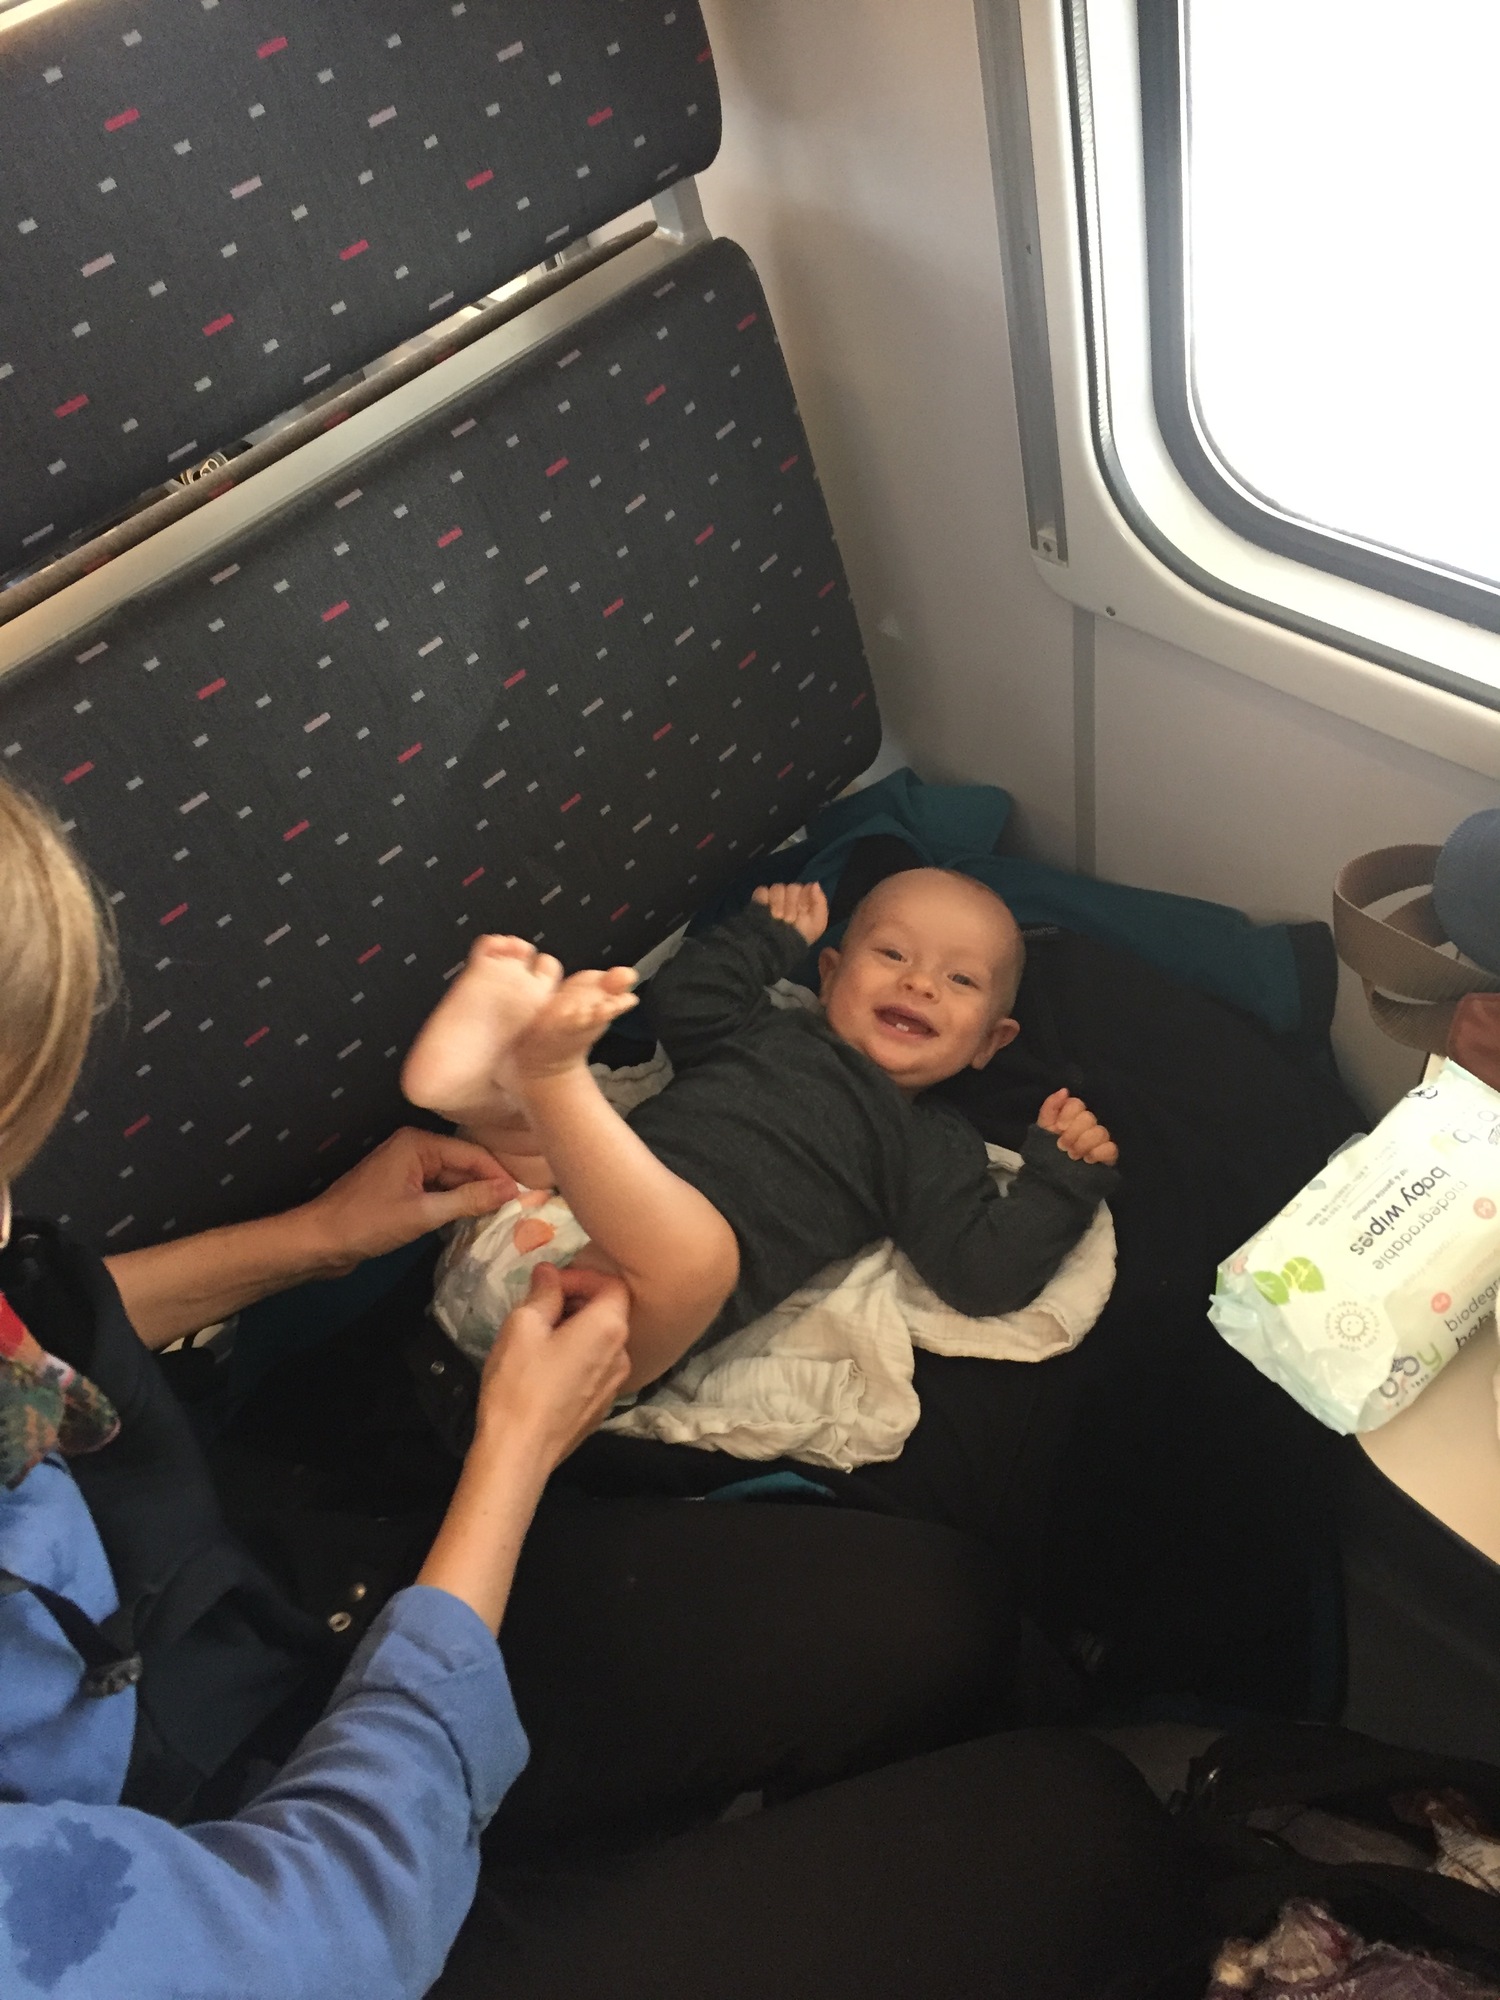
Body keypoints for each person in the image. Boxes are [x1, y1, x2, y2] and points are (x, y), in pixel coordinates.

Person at [0, 773, 635, 2000]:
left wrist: (313, 1239)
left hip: (177, 1615)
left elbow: (31, 1337)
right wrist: (513, 1453)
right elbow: (333, 1921)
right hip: (204, 1840)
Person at [402, 867, 1120, 1390]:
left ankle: (535, 1079)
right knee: (546, 1150)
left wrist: (1060, 1180)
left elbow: (982, 1275)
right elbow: (683, 1001)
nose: (920, 983)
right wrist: (766, 937)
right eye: (893, 954)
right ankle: (477, 1096)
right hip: (525, 1223)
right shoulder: (768, 1028)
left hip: (604, 1329)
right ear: (829, 975)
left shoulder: (927, 1143)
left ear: (991, 1042)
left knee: (691, 1253)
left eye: (960, 981)